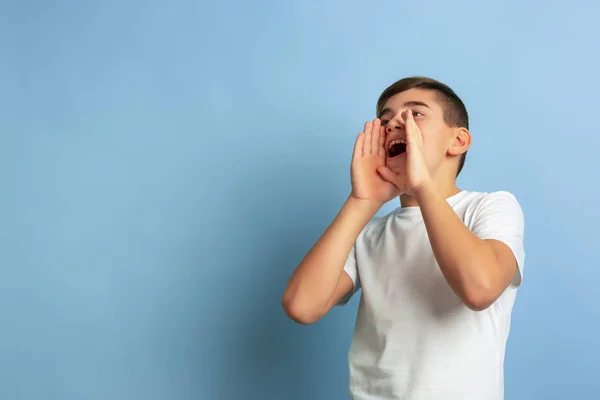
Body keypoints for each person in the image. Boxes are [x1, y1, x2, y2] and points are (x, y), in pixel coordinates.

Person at [281, 76, 525, 400]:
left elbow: (479, 288)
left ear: (458, 140)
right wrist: (362, 203)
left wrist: (422, 185)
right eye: (385, 119)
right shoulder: (369, 233)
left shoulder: (490, 207)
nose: (395, 121)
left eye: (416, 113)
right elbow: (302, 305)